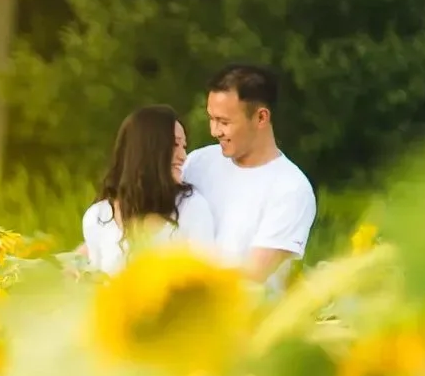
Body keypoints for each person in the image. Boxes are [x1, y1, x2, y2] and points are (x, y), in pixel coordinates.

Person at [178, 63, 317, 287]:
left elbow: (253, 275)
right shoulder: (198, 162)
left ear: (261, 118)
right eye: (211, 119)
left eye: (224, 122)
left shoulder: (291, 189)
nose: (215, 131)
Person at [79, 104, 217, 274]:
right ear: (147, 148)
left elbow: (205, 278)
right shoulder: (97, 217)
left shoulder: (191, 207)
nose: (183, 156)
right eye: (175, 145)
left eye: (184, 146)